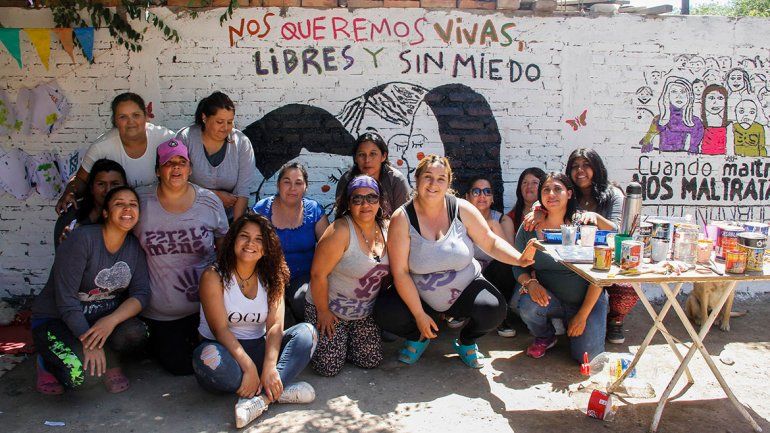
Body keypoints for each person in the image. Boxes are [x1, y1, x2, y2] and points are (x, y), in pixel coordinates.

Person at [374, 155, 534, 369]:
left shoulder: (461, 208)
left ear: (448, 183)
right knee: (384, 310)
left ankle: (466, 342)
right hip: (421, 294)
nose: (433, 184)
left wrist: (520, 259)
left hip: (464, 287)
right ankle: (418, 337)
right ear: (417, 179)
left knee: (494, 310)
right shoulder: (402, 218)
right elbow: (401, 272)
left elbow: (490, 241)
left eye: (441, 179)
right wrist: (419, 316)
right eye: (428, 177)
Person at [192, 213, 316, 429]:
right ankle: (280, 389)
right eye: (244, 236)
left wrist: (269, 366)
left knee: (308, 333)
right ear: (233, 240)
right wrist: (249, 367)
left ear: (267, 247)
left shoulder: (273, 276)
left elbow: (275, 326)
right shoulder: (213, 276)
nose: (251, 244)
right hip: (225, 352)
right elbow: (219, 329)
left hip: (258, 348)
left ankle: (260, 400)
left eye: (259, 239)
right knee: (208, 358)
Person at [32, 186, 150, 394]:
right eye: (119, 204)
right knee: (78, 377)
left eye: (133, 204)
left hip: (99, 321)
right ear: (105, 212)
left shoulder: (133, 246)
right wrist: (89, 343)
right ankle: (46, 362)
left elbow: (141, 294)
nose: (127, 209)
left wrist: (111, 320)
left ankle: (111, 362)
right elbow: (66, 301)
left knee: (138, 332)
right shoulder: (82, 240)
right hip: (57, 320)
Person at [133, 138, 229, 375]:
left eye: (181, 162)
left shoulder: (209, 201)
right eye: (168, 163)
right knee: (180, 367)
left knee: (216, 361)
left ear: (190, 169)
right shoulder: (139, 202)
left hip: (205, 308)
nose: (176, 168)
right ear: (157, 170)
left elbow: (225, 249)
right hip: (161, 313)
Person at [524, 149, 633, 345]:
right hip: (575, 268)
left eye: (586, 165)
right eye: (575, 166)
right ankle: (559, 321)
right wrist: (538, 212)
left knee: (627, 287)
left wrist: (598, 219)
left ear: (597, 167)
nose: (580, 170)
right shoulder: (563, 193)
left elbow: (620, 230)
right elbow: (543, 203)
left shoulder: (612, 194)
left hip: (604, 260)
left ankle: (613, 319)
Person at [514, 172, 608, 362]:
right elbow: (518, 266)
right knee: (527, 305)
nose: (551, 194)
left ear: (570, 194)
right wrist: (530, 283)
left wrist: (582, 315)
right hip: (551, 299)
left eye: (558, 189)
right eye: (546, 190)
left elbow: (600, 272)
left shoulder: (584, 224)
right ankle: (545, 336)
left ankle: (580, 323)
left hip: (587, 302)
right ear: (540, 197)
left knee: (586, 359)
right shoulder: (529, 226)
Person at [306, 175, 390, 376]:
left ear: (379, 201)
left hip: (363, 313)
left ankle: (347, 340)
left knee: (371, 360)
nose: (365, 204)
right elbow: (318, 274)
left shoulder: (387, 228)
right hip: (330, 310)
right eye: (357, 199)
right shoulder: (340, 230)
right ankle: (319, 334)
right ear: (348, 203)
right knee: (328, 367)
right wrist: (323, 311)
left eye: (371, 197)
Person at [56, 93, 174, 214]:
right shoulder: (101, 148)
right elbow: (80, 179)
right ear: (115, 121)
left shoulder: (165, 139)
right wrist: (70, 193)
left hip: (160, 210)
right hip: (118, 216)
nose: (131, 122)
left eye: (136, 115)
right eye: (123, 117)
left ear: (146, 116)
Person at [253, 163, 329, 323]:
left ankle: (312, 341)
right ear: (278, 184)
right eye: (287, 181)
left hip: (303, 277)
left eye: (298, 183)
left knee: (303, 302)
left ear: (306, 187)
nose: (292, 188)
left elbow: (329, 250)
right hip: (268, 276)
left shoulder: (314, 211)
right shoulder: (261, 210)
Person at [176, 91, 258, 221]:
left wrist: (235, 232)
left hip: (229, 217)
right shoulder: (186, 138)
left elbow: (243, 191)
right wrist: (214, 196)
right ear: (204, 118)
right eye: (219, 122)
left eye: (230, 122)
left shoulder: (242, 143)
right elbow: (177, 184)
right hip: (191, 218)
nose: (225, 128)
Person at [464, 176, 517, 338]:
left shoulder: (502, 219)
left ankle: (502, 316)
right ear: (467, 197)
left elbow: (512, 256)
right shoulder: (458, 219)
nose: (482, 196)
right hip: (467, 276)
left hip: (495, 278)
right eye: (476, 191)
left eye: (487, 192)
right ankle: (460, 311)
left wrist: (494, 227)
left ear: (492, 198)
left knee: (506, 266)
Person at [53, 159, 127, 248]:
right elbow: (63, 257)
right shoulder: (71, 216)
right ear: (91, 188)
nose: (108, 190)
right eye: (101, 184)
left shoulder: (131, 215)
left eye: (115, 184)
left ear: (125, 188)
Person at [335, 131, 410, 218]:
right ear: (355, 158)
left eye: (373, 154)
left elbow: (403, 218)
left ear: (383, 156)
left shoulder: (395, 180)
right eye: (361, 155)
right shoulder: (347, 180)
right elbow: (341, 216)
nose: (367, 160)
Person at [640, 76, 703, 153]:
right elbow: (647, 143)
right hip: (662, 162)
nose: (678, 96)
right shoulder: (659, 120)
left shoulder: (695, 123)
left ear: (689, 96)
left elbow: (694, 151)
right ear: (667, 96)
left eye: (683, 92)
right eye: (674, 91)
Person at [505, 167, 546, 243]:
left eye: (535, 182)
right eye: (525, 183)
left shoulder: (551, 212)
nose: (529, 186)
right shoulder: (510, 218)